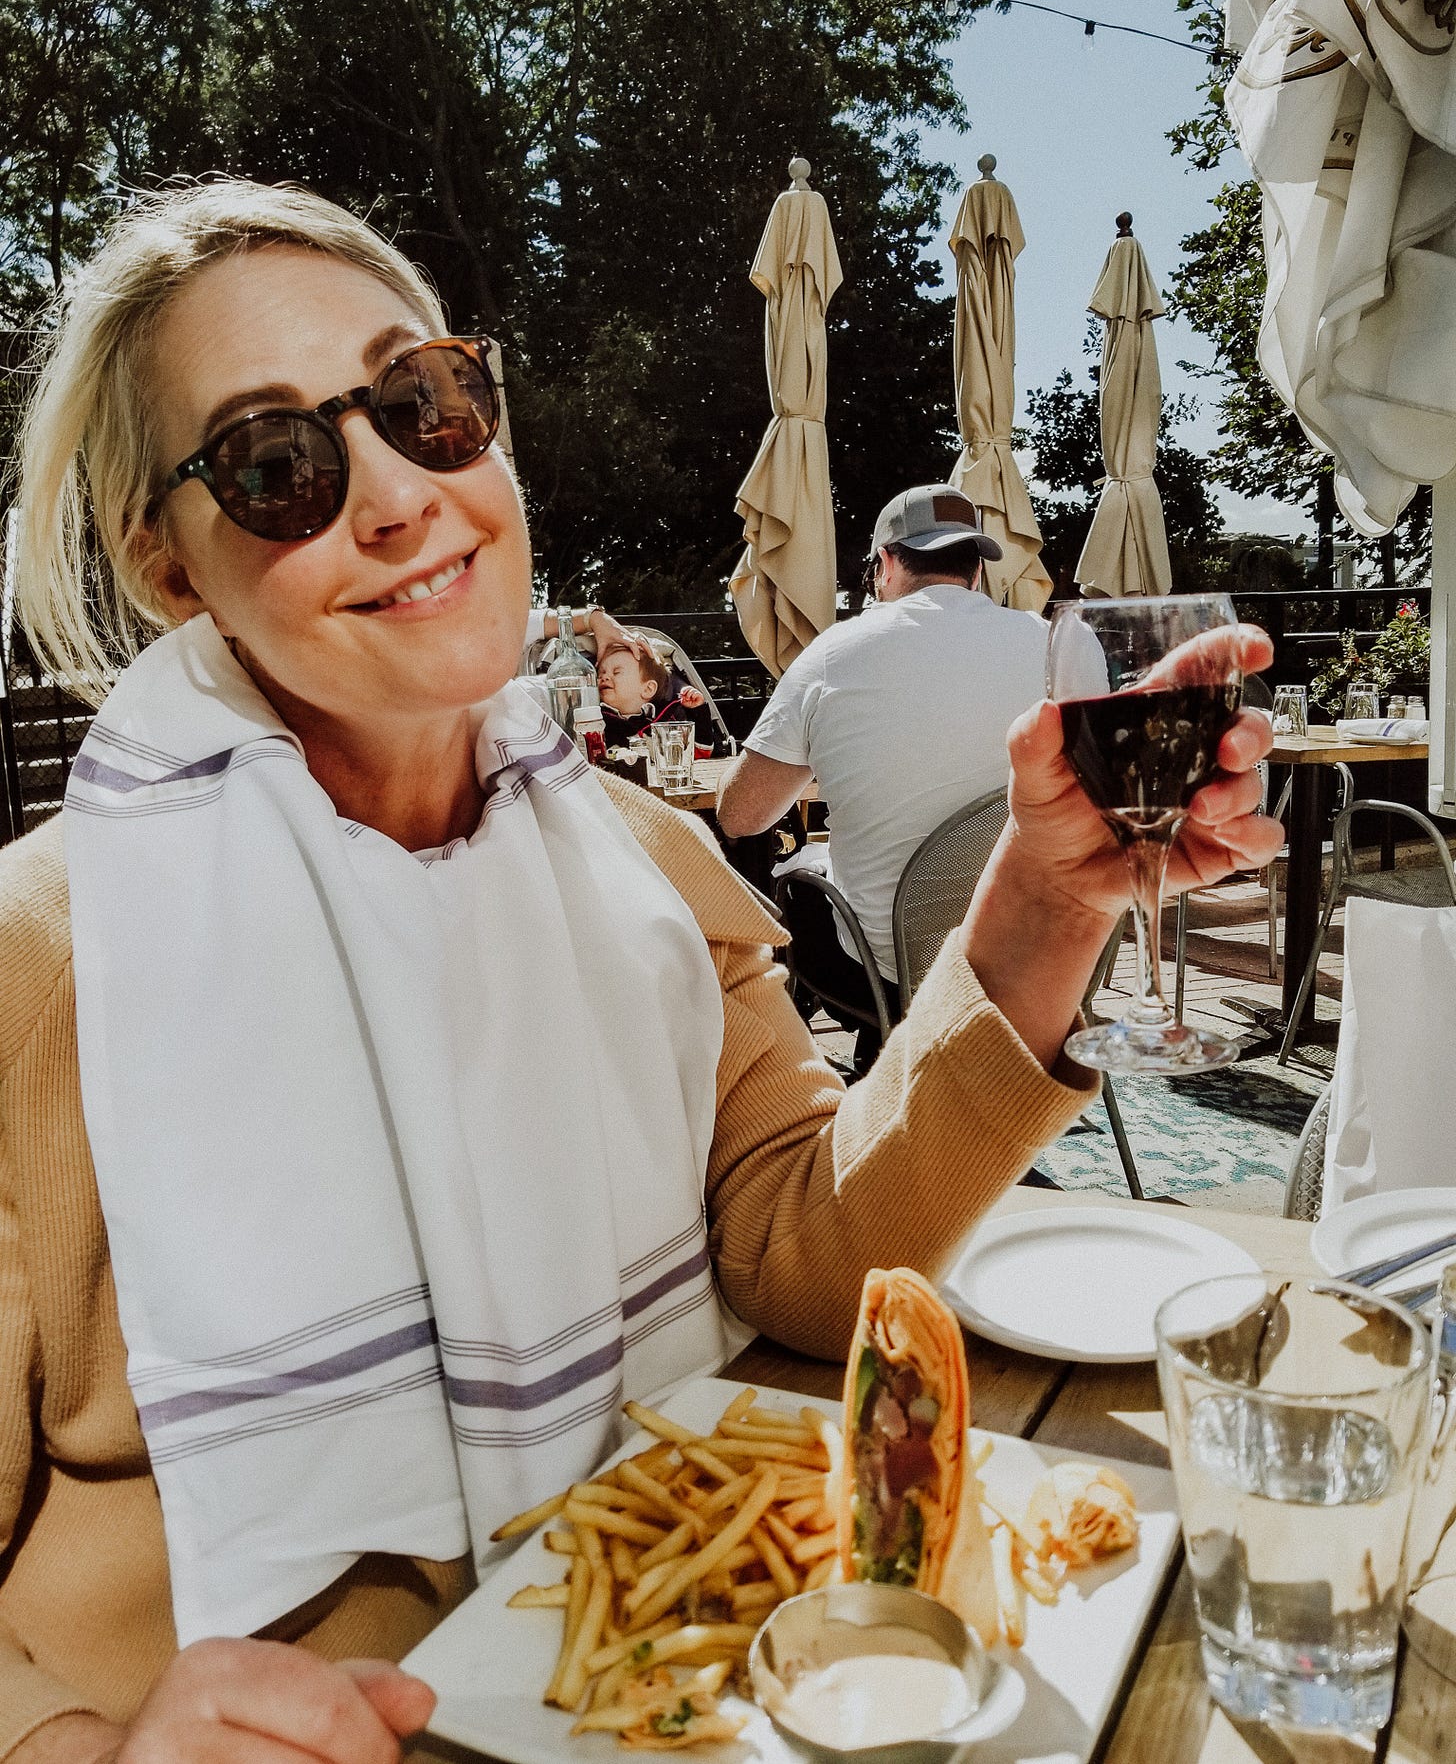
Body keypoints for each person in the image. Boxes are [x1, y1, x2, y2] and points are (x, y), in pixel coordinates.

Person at [0, 178, 1280, 1763]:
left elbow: (805, 1256)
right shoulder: (50, 964)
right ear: (171, 568)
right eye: (280, 465)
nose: (400, 494)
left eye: (426, 402)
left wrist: (1040, 901)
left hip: (685, 1708)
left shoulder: (641, 861)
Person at [717, 485, 1050, 1062]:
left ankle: (812, 1063)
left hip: (890, 976)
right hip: (1047, 964)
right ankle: (907, 1062)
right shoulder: (1057, 645)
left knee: (791, 875)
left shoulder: (832, 655)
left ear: (886, 564)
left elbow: (742, 816)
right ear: (976, 571)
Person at [596, 639, 716, 752]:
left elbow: (699, 753)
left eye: (616, 672)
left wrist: (699, 711)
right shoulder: (595, 722)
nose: (604, 677)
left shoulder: (666, 720)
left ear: (648, 689)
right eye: (600, 673)